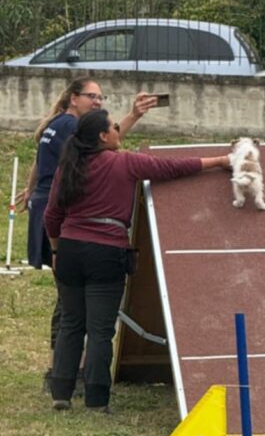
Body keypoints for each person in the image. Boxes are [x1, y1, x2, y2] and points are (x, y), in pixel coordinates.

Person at [44, 109, 231, 413]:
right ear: (104, 136)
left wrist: (55, 251)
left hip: (69, 250)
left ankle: (61, 394)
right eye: (114, 128)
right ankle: (96, 399)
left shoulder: (69, 166)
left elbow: (51, 215)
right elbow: (172, 168)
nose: (119, 131)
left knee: (71, 323)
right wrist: (220, 161)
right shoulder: (125, 162)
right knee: (101, 330)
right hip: (106, 252)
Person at [17, 78, 159, 390]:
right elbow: (106, 141)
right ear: (73, 98)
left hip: (47, 204)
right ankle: (63, 370)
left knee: (68, 296)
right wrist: (133, 116)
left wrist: (32, 188)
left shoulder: (55, 123)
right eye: (91, 96)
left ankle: (63, 369)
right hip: (62, 217)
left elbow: (45, 163)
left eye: (100, 97)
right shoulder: (72, 126)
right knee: (69, 305)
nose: (97, 102)